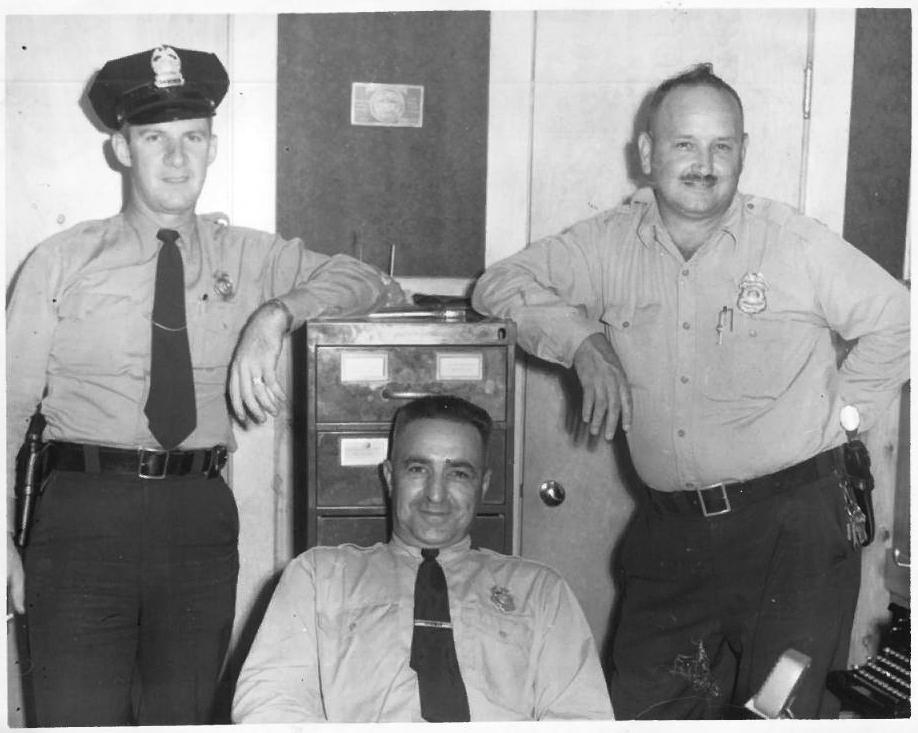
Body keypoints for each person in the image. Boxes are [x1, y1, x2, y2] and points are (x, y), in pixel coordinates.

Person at [472, 63, 910, 719]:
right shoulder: (609, 243)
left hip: (793, 539)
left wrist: (841, 418)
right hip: (672, 537)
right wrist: (582, 341)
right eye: (685, 144)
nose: (705, 165)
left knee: (780, 712)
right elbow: (497, 286)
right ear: (648, 152)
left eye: (721, 146)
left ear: (743, 152)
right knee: (646, 708)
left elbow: (900, 321)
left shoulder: (792, 244)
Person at [5, 44, 399, 726]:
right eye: (154, 138)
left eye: (192, 137)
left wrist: (276, 314)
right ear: (121, 150)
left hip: (196, 518)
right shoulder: (62, 261)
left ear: (213, 148)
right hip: (81, 518)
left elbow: (369, 282)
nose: (176, 158)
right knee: (74, 717)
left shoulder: (247, 255)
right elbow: (5, 409)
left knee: (182, 716)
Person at [231, 395, 613, 722]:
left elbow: (582, 717)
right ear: (389, 476)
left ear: (483, 485)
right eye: (418, 469)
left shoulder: (540, 591)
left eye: (458, 474)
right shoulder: (318, 577)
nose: (436, 494)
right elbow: (268, 704)